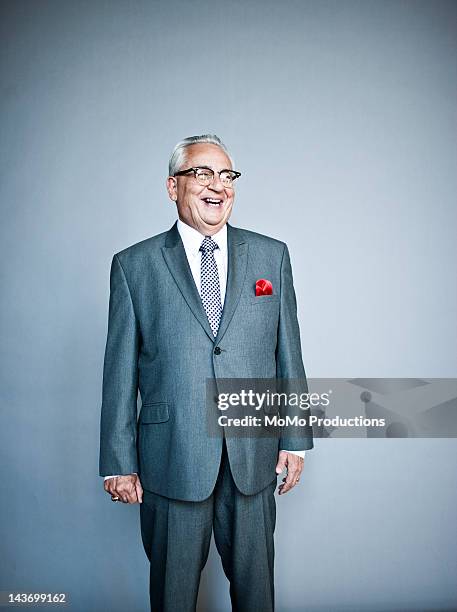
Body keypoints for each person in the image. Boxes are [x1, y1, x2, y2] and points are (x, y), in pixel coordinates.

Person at [99, 134, 313, 612]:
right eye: (203, 173)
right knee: (173, 597)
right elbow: (118, 371)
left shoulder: (271, 256)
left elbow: (288, 355)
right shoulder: (134, 266)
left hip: (253, 459)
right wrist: (119, 459)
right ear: (173, 187)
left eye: (227, 175)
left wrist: (295, 439)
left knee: (257, 595)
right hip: (170, 459)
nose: (218, 185)